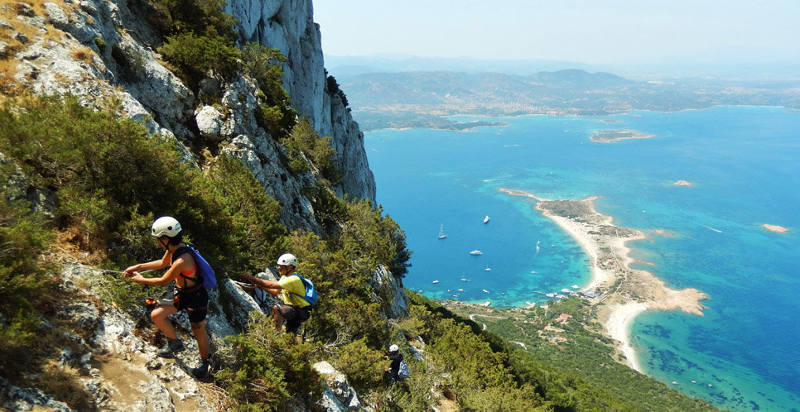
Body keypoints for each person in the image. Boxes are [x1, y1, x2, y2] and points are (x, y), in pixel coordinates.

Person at [124, 216, 211, 378]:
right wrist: (138, 267)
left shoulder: (181, 260)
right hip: (181, 292)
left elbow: (163, 280)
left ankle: (205, 363)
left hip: (196, 296)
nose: (158, 242)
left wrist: (141, 279)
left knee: (198, 329)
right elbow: (163, 263)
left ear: (165, 238)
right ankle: (174, 343)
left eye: (158, 239)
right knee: (157, 315)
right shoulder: (174, 249)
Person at [240, 253, 311, 336]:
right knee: (291, 334)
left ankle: (275, 334)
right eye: (278, 265)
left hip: (299, 311)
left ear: (290, 267)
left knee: (277, 309)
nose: (279, 268)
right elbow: (275, 292)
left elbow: (271, 285)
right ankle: (294, 345)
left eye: (282, 266)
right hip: (297, 310)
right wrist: (260, 286)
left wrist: (252, 278)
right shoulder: (285, 277)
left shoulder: (293, 279)